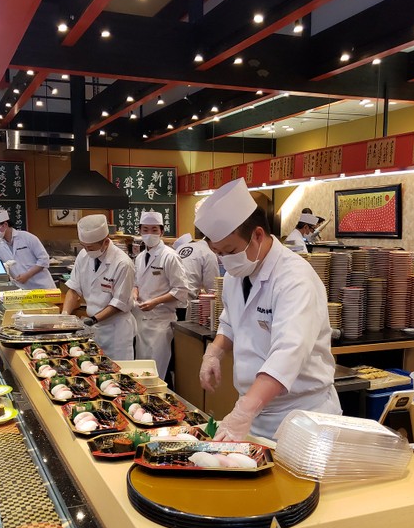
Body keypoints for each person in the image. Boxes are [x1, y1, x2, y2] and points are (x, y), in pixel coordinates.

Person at [195, 177, 340, 441]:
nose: (224, 260)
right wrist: (214, 351)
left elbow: (288, 354)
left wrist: (242, 411)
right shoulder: (235, 274)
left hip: (301, 418)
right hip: (256, 414)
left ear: (258, 235)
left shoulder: (294, 278)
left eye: (229, 250)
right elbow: (230, 321)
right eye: (218, 253)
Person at [61, 214, 136, 360]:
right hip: (93, 326)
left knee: (117, 372)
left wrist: (93, 319)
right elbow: (73, 289)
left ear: (106, 242)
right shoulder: (84, 255)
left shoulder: (123, 264)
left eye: (90, 247)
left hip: (116, 330)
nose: (87, 250)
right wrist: (64, 317)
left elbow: (118, 303)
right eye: (84, 246)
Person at [133, 210, 188, 379]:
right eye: (146, 229)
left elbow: (181, 289)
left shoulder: (170, 257)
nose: (150, 234)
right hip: (141, 320)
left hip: (160, 322)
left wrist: (155, 302)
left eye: (154, 230)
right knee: (140, 368)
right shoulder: (140, 257)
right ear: (140, 231)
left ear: (162, 231)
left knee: (156, 371)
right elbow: (136, 283)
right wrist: (134, 294)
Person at [173, 232, 219, 320]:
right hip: (184, 305)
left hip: (167, 301)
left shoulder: (181, 247)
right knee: (182, 332)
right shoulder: (208, 254)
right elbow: (213, 289)